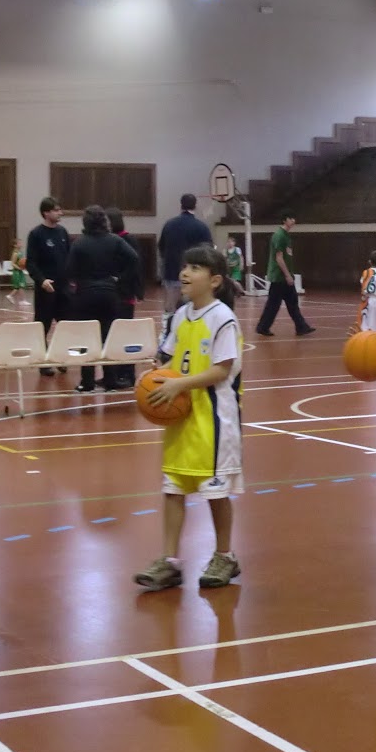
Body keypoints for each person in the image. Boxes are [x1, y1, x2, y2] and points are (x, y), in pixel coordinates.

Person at [134, 245, 244, 591]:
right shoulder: (180, 316)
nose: (185, 273)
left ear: (214, 280)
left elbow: (220, 369)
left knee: (216, 492)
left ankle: (224, 555)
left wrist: (177, 383)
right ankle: (169, 561)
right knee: (173, 488)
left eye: (194, 268)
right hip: (180, 418)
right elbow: (167, 359)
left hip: (213, 419)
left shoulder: (222, 316)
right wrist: (154, 376)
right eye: (184, 266)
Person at [64, 204, 140, 394]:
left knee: (86, 338)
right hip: (109, 293)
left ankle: (87, 382)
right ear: (104, 221)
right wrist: (120, 278)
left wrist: (79, 282)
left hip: (86, 294)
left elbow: (69, 271)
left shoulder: (79, 243)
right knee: (108, 336)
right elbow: (134, 259)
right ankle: (111, 380)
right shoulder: (114, 241)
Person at [26, 197, 70, 377]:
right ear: (46, 212)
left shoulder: (63, 232)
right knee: (42, 326)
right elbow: (31, 263)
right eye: (56, 210)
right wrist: (41, 280)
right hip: (45, 289)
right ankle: (44, 362)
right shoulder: (36, 234)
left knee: (65, 326)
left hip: (64, 288)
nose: (60, 213)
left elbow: (69, 257)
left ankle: (60, 358)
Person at [255, 215, 314, 337]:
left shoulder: (286, 236)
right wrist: (287, 275)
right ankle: (263, 327)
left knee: (291, 302)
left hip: (284, 276)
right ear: (284, 220)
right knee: (274, 304)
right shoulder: (279, 236)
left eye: (294, 218)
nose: (294, 221)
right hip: (279, 277)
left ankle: (301, 326)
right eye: (291, 218)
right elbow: (279, 257)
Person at [157, 193, 213, 317]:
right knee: (192, 310)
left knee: (170, 309)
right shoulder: (202, 227)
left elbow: (161, 248)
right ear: (195, 206)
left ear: (181, 205)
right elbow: (208, 253)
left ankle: (168, 333)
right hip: (194, 274)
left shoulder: (169, 225)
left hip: (171, 273)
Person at [105, 207, 142, 391]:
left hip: (125, 294)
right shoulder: (109, 240)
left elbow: (134, 266)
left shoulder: (127, 239)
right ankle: (112, 374)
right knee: (112, 335)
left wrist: (120, 279)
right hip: (112, 295)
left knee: (126, 336)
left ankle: (127, 374)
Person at [7, 239, 29, 307]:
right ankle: (21, 300)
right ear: (15, 245)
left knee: (20, 286)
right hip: (17, 272)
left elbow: (22, 262)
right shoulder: (15, 253)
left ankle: (16, 298)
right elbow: (13, 263)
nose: (20, 244)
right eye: (19, 243)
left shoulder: (20, 252)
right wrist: (19, 268)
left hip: (20, 271)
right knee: (20, 286)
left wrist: (24, 266)